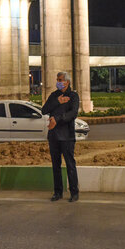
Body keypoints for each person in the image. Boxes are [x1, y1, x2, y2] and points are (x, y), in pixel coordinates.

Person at [41, 72, 80, 202]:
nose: (58, 82)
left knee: (70, 165)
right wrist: (57, 102)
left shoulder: (73, 96)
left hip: (67, 136)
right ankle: (58, 192)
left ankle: (74, 192)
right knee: (55, 166)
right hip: (53, 136)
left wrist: (56, 119)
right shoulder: (54, 95)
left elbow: (72, 113)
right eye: (57, 79)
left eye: (60, 80)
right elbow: (44, 110)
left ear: (67, 82)